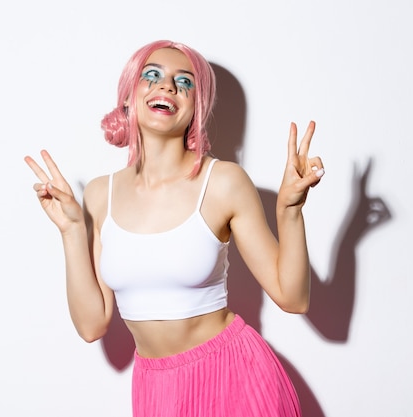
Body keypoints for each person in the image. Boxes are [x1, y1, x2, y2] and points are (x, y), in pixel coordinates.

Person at [25, 40, 324, 417]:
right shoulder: (101, 195)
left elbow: (292, 298)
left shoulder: (224, 182)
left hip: (233, 377)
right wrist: (70, 231)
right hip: (155, 388)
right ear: (130, 96)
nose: (167, 86)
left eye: (185, 82)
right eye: (152, 75)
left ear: (196, 109)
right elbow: (91, 326)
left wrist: (290, 210)